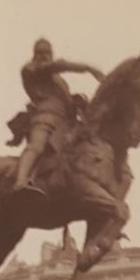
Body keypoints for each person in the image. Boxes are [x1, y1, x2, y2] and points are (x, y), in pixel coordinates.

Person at [10, 38, 105, 195]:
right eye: (40, 52)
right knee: (37, 146)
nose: (44, 56)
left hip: (65, 124)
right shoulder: (30, 70)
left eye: (47, 52)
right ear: (34, 54)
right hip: (44, 117)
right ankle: (20, 181)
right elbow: (57, 65)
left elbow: (68, 102)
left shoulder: (60, 82)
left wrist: (77, 103)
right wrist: (87, 68)